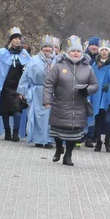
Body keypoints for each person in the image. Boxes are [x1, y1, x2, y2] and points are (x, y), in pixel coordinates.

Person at [42, 37, 99, 166]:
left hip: (78, 105)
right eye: (73, 51)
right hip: (60, 103)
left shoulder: (88, 68)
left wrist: (86, 90)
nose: (76, 53)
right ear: (68, 52)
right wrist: (47, 100)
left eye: (78, 51)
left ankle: (68, 155)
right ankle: (58, 148)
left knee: (74, 133)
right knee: (57, 131)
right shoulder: (58, 66)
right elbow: (49, 83)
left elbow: (95, 85)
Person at [0, 27, 31, 141]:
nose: (17, 41)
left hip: (18, 86)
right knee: (5, 110)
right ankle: (7, 131)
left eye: (19, 38)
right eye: (14, 38)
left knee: (17, 110)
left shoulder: (24, 54)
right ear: (10, 40)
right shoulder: (3, 53)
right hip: (6, 85)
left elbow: (29, 69)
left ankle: (16, 132)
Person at [17, 35, 55, 148]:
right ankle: (38, 139)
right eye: (45, 47)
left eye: (49, 47)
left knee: (49, 116)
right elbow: (26, 75)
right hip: (37, 91)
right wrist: (22, 91)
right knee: (37, 116)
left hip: (52, 92)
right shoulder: (33, 60)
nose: (47, 49)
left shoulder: (56, 61)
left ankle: (48, 139)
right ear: (41, 48)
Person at [89, 39, 110, 152]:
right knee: (98, 119)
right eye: (102, 50)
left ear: (109, 51)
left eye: (105, 50)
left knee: (108, 120)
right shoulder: (96, 64)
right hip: (98, 96)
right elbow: (92, 79)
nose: (104, 52)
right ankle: (98, 142)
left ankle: (107, 141)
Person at [83, 36, 102, 147]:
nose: (94, 47)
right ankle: (80, 134)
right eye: (92, 45)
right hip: (83, 86)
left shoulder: (100, 59)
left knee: (92, 112)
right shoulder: (83, 57)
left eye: (96, 45)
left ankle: (90, 136)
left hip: (94, 89)